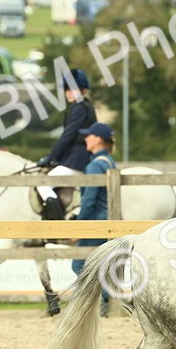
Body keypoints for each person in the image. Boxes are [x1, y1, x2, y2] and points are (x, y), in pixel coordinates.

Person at [37, 68, 96, 220]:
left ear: (83, 90)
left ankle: (60, 227)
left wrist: (50, 158)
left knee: (42, 184)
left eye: (73, 89)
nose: (69, 93)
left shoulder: (80, 108)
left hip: (77, 160)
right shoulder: (83, 106)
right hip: (74, 158)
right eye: (66, 89)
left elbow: (67, 137)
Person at [72, 122, 118, 314]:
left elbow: (89, 200)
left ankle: (100, 303)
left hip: (96, 222)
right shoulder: (109, 162)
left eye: (89, 136)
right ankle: (103, 302)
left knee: (78, 263)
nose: (86, 139)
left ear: (98, 139)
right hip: (109, 220)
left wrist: (77, 227)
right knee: (102, 264)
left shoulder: (94, 166)